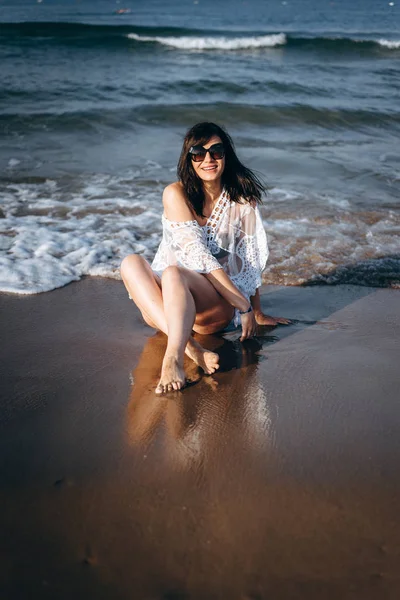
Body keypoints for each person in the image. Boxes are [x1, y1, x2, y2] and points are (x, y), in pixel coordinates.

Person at [121, 122, 289, 394]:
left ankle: (173, 358)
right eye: (198, 153)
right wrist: (244, 305)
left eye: (216, 151)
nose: (208, 159)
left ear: (227, 155)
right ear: (189, 159)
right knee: (131, 262)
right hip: (163, 310)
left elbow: (250, 262)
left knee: (174, 273)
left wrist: (254, 311)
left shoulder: (242, 201)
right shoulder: (176, 194)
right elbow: (197, 253)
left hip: (212, 310)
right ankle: (191, 348)